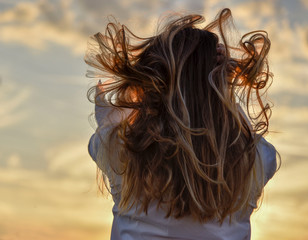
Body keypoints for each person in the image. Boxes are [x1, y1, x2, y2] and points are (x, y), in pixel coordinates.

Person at [86, 8, 279, 240]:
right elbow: (245, 135)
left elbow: (113, 117)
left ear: (153, 83)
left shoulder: (119, 147)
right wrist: (222, 89)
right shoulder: (256, 158)